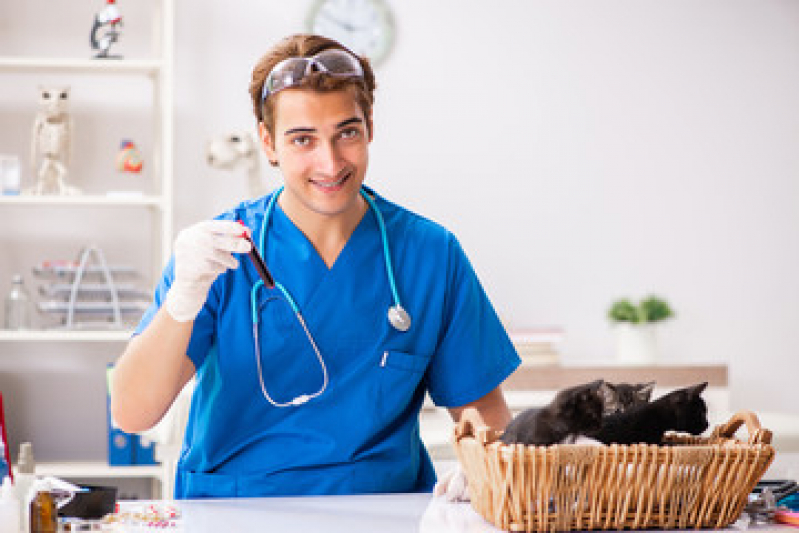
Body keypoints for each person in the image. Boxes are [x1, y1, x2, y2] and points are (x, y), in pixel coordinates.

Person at [111, 33, 520, 499]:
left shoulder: (430, 254)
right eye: (303, 139)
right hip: (235, 511)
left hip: (382, 511)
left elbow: (482, 410)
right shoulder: (221, 252)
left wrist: (489, 466)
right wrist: (182, 301)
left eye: (347, 132)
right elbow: (131, 413)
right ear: (268, 143)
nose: (330, 163)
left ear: (370, 126)